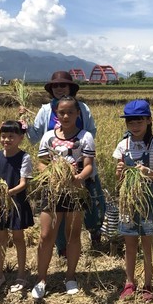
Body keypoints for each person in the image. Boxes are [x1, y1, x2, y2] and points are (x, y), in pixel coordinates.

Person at [22, 70, 104, 255]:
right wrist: (25, 124)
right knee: (58, 210)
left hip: (82, 166)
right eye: (56, 86)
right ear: (51, 89)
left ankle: (95, 234)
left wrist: (77, 156)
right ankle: (62, 248)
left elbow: (91, 132)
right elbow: (36, 138)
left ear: (70, 88)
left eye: (63, 85)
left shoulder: (82, 108)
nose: (59, 88)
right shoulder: (44, 111)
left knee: (93, 204)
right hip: (55, 172)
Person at [32, 96, 97, 299]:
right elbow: (41, 162)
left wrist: (77, 178)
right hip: (51, 190)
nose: (66, 116)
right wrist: (53, 172)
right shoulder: (48, 137)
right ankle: (41, 279)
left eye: (70, 112)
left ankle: (70, 277)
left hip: (75, 192)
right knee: (45, 236)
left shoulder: (85, 137)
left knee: (72, 235)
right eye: (62, 112)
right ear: (56, 115)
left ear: (78, 114)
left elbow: (88, 165)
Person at [113, 99, 153, 302]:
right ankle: (129, 282)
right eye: (130, 123)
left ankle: (148, 283)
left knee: (147, 244)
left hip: (148, 201)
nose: (134, 127)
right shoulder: (123, 145)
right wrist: (119, 171)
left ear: (148, 121)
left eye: (139, 122)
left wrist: (147, 171)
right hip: (129, 202)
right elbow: (118, 179)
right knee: (130, 244)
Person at [0, 120, 34, 294]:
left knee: (19, 238)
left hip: (16, 203)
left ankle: (21, 275)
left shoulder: (25, 157)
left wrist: (8, 193)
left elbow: (23, 183)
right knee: (0, 239)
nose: (6, 140)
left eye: (11, 136)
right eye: (3, 136)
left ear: (20, 138)